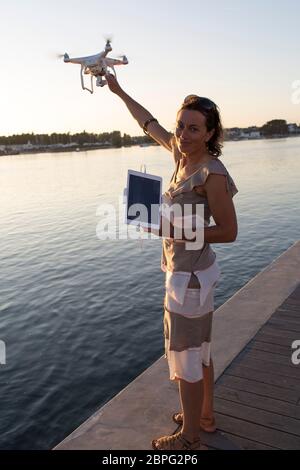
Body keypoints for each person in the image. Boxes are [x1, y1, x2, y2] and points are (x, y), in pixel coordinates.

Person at [105, 73, 238, 451]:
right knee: (202, 350)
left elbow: (229, 231)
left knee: (186, 357)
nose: (182, 133)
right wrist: (118, 91)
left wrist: (177, 233)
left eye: (194, 128)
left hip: (191, 279)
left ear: (210, 133)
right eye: (180, 125)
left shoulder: (211, 173)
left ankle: (190, 436)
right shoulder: (181, 156)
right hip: (189, 273)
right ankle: (204, 416)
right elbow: (147, 123)